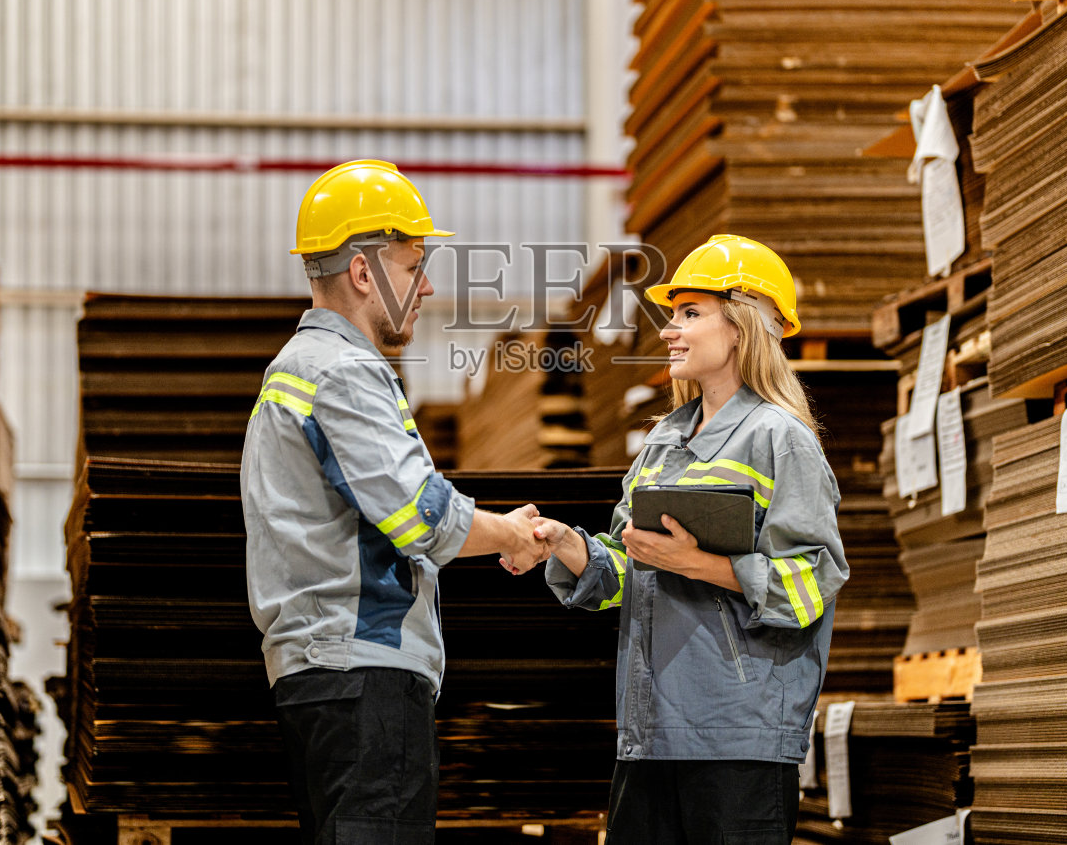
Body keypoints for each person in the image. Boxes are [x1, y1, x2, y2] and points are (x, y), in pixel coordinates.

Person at [241, 159, 551, 845]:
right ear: (363, 272)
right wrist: (510, 532)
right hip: (364, 677)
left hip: (327, 675)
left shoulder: (297, 371)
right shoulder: (343, 371)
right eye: (413, 266)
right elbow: (421, 514)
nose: (429, 285)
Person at [533, 233, 849, 844]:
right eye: (672, 314)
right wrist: (567, 545)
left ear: (743, 328)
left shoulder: (778, 440)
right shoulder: (661, 445)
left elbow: (812, 582)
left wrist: (701, 563)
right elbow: (629, 575)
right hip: (649, 734)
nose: (670, 330)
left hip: (739, 739)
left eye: (691, 313)